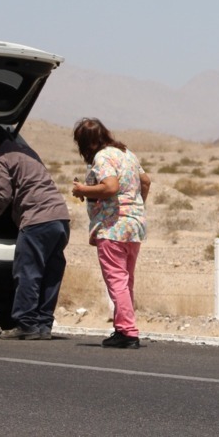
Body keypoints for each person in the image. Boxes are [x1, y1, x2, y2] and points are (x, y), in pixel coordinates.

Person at [0, 125, 71, 340]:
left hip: (37, 220)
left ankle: (26, 323)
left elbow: (3, 195)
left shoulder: (2, 159)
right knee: (51, 274)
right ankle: (44, 325)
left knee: (28, 271)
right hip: (60, 218)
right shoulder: (26, 152)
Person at [71, 118, 151, 349]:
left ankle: (127, 332)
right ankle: (122, 327)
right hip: (134, 226)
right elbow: (145, 181)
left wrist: (83, 189)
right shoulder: (127, 153)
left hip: (113, 226)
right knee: (126, 280)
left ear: (87, 143)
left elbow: (110, 186)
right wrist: (136, 206)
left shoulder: (102, 157)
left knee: (116, 280)